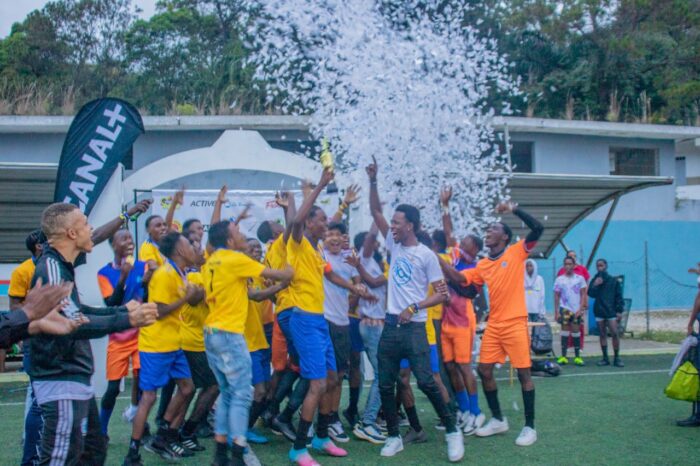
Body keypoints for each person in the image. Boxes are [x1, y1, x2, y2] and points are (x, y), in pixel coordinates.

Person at [27, 202, 157, 466]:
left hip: (75, 379)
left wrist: (122, 312)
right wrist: (127, 318)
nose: (92, 231)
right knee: (60, 460)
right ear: (72, 234)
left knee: (93, 452)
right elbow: (72, 323)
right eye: (86, 225)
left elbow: (79, 311)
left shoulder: (62, 266)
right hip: (61, 379)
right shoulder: (52, 268)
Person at [365, 156, 464, 462]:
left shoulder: (427, 255)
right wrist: (373, 180)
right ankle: (394, 436)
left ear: (410, 225)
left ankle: (451, 430)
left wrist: (414, 305)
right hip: (390, 326)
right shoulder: (394, 245)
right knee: (385, 382)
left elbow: (441, 296)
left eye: (397, 222)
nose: (391, 225)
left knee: (425, 381)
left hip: (415, 326)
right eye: (392, 222)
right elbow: (375, 211)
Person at [286, 169, 374, 466]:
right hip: (305, 321)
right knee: (317, 384)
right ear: (310, 223)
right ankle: (299, 447)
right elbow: (296, 220)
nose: (327, 225)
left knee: (333, 377)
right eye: (322, 220)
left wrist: (355, 287)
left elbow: (332, 275)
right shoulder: (298, 242)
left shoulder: (316, 252)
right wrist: (322, 184)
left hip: (320, 322)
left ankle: (322, 436)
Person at [440, 199, 544, 447]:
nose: (488, 231)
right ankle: (498, 419)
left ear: (505, 237)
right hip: (494, 326)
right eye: (488, 229)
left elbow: (538, 228)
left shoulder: (516, 252)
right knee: (484, 371)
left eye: (494, 229)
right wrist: (435, 259)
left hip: (516, 323)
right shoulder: (483, 265)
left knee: (523, 374)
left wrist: (514, 209)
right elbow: (457, 277)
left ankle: (530, 427)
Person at [203, 220, 293, 466]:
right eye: (237, 232)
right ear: (230, 240)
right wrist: (292, 270)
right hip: (230, 335)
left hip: (211, 333)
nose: (242, 235)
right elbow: (278, 274)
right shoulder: (235, 259)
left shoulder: (212, 260)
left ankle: (221, 455)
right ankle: (237, 453)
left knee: (228, 394)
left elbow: (251, 292)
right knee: (243, 394)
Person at [124, 231, 201, 465]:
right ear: (178, 250)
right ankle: (133, 451)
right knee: (148, 397)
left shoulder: (180, 274)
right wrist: (186, 298)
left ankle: (163, 434)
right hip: (156, 345)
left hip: (173, 343)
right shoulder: (165, 275)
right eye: (189, 243)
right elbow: (158, 311)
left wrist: (194, 295)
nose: (194, 246)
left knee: (187, 388)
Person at [97, 230, 152, 438]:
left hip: (141, 335)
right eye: (124, 238)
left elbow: (146, 298)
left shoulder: (143, 266)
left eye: (130, 238)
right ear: (113, 245)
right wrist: (123, 277)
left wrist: (146, 281)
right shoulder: (104, 273)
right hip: (118, 337)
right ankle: (102, 430)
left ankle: (140, 422)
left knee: (142, 380)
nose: (129, 242)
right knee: (113, 388)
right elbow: (111, 303)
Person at [245, 237, 290, 445]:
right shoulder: (243, 273)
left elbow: (271, 299)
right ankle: (241, 428)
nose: (256, 250)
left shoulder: (263, 271)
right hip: (249, 338)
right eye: (251, 247)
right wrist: (281, 285)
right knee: (257, 389)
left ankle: (251, 423)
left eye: (258, 247)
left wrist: (275, 289)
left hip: (266, 332)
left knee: (267, 385)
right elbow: (255, 296)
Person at [346, 225, 388, 444]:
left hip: (376, 324)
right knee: (383, 374)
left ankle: (371, 419)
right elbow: (371, 235)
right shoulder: (365, 258)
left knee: (384, 374)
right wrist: (376, 215)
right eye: (374, 242)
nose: (378, 243)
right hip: (371, 325)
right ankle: (367, 423)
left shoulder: (374, 263)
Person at [177, 237, 218, 453]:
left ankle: (181, 431)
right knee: (209, 387)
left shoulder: (205, 274)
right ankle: (183, 431)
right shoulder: (192, 275)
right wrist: (213, 288)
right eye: (196, 248)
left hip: (203, 341)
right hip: (192, 341)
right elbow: (193, 298)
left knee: (191, 390)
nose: (201, 251)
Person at [321, 222, 361, 444]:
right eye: (330, 234)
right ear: (324, 236)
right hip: (323, 321)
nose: (334, 238)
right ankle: (319, 420)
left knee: (338, 375)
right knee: (322, 376)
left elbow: (358, 283)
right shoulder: (319, 254)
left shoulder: (350, 258)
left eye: (339, 234)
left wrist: (353, 299)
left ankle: (333, 418)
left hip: (342, 323)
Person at [587, 259, 625, 367]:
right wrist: (595, 285)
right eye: (598, 266)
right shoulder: (595, 279)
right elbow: (591, 294)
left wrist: (619, 311)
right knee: (602, 334)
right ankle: (605, 358)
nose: (600, 267)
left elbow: (619, 296)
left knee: (614, 333)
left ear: (606, 266)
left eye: (601, 265)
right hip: (599, 310)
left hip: (611, 311)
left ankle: (617, 357)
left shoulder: (613, 281)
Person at [554, 256, 588, 366]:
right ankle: (563, 356)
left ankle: (577, 357)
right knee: (564, 331)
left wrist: (581, 308)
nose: (568, 266)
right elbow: (557, 295)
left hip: (576, 309)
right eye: (566, 264)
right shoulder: (560, 279)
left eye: (570, 264)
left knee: (576, 331)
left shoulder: (579, 278)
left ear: (574, 265)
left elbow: (583, 294)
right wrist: (557, 311)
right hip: (565, 308)